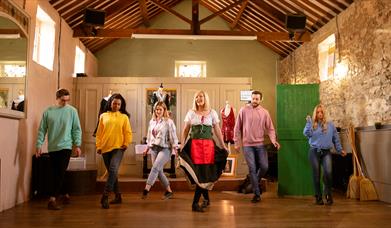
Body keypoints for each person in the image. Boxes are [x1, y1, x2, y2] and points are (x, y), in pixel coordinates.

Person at [179, 90, 228, 212]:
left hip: (208, 148)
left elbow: (217, 131)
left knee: (205, 173)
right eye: (196, 97)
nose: (198, 99)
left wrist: (223, 146)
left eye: (201, 96)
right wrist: (182, 144)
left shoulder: (212, 113)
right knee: (199, 174)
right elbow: (185, 130)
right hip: (194, 147)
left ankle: (200, 201)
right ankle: (200, 201)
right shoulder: (191, 113)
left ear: (205, 98)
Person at [35, 88, 82, 210]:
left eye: (67, 100)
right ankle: (66, 194)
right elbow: (42, 130)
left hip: (66, 146)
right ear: (57, 99)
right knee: (59, 172)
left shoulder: (72, 111)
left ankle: (52, 199)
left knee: (59, 172)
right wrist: (39, 145)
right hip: (53, 147)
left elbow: (76, 129)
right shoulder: (48, 112)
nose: (65, 103)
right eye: (62, 100)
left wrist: (77, 145)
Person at [234, 90, 280, 203]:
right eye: (253, 98)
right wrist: (236, 142)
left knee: (264, 167)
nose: (254, 100)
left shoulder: (265, 112)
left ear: (261, 100)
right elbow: (237, 128)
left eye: (257, 99)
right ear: (251, 98)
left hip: (260, 144)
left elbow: (270, 128)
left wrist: (273, 140)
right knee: (252, 168)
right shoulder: (243, 110)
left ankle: (254, 181)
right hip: (247, 145)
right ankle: (256, 193)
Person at [303, 104, 346, 205]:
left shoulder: (330, 125)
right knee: (316, 175)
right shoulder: (312, 124)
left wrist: (340, 150)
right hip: (314, 151)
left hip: (326, 152)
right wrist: (309, 122)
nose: (320, 114)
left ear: (324, 113)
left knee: (328, 174)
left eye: (321, 112)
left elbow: (335, 139)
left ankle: (328, 194)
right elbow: (306, 134)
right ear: (315, 113)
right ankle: (318, 196)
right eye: (318, 112)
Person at [96, 93, 132, 209]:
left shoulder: (124, 117)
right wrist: (98, 146)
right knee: (113, 173)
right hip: (105, 148)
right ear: (110, 103)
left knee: (112, 169)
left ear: (121, 105)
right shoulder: (103, 116)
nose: (116, 105)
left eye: (119, 104)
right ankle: (118, 196)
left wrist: (126, 143)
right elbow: (99, 133)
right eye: (114, 103)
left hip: (119, 147)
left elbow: (127, 132)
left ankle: (105, 196)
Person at [142, 101, 179, 200]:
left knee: (155, 167)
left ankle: (146, 189)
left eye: (160, 109)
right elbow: (150, 137)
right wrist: (147, 149)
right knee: (158, 171)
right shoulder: (152, 121)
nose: (158, 111)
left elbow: (173, 136)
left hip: (165, 148)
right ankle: (169, 191)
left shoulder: (168, 122)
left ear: (164, 110)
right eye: (156, 109)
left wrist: (176, 149)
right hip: (154, 148)